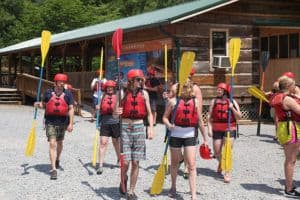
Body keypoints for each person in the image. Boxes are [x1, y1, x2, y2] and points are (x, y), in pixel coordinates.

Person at [162, 81, 208, 200]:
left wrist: (205, 139)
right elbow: (164, 117)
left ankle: (193, 194)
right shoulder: (172, 102)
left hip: (190, 135)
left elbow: (200, 121)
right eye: (184, 88)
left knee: (192, 165)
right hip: (176, 134)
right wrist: (168, 125)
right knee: (175, 163)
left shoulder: (196, 102)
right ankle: (173, 187)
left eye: (188, 88)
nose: (186, 90)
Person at [113, 69, 154, 200]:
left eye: (141, 79)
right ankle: (123, 178)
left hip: (139, 126)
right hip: (124, 127)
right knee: (125, 162)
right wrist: (117, 112)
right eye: (138, 79)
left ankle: (131, 191)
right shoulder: (121, 93)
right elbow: (114, 114)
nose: (140, 82)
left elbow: (149, 113)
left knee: (136, 162)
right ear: (131, 80)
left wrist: (151, 127)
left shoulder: (144, 94)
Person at [34, 73, 74, 180]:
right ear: (55, 82)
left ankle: (57, 159)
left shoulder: (68, 94)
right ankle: (53, 169)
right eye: (60, 82)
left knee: (60, 143)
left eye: (63, 82)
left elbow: (71, 109)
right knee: (52, 143)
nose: (62, 84)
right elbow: (44, 104)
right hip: (50, 121)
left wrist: (70, 123)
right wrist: (38, 104)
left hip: (62, 122)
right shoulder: (47, 93)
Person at [269, 76, 300, 197]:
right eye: (293, 84)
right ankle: (289, 189)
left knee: (289, 159)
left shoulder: (279, 96)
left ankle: (289, 184)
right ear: (288, 87)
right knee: (291, 160)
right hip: (291, 128)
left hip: (283, 128)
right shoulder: (288, 99)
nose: (295, 86)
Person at [207, 82, 242, 183]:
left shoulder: (232, 102)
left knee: (227, 151)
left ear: (225, 91)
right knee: (217, 152)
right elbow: (209, 117)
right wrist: (209, 129)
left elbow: (239, 117)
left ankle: (227, 172)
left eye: (220, 89)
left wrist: (232, 108)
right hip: (217, 128)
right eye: (217, 89)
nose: (217, 91)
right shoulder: (213, 101)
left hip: (230, 127)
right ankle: (221, 163)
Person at [95, 80, 120, 174]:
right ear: (106, 88)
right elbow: (98, 109)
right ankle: (100, 165)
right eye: (108, 87)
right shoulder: (102, 96)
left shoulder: (118, 96)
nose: (110, 89)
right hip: (105, 122)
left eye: (111, 87)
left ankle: (118, 158)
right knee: (103, 143)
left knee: (116, 142)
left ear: (114, 88)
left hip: (116, 122)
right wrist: (97, 107)